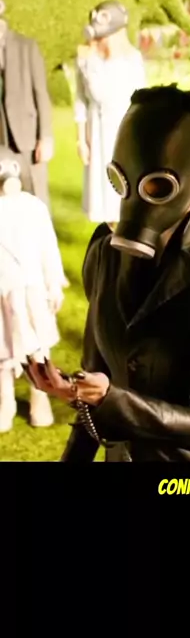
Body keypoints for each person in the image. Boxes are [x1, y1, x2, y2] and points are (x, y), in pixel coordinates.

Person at [28, 84, 190, 462]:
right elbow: (95, 380)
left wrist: (111, 399)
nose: (135, 198)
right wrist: (80, 395)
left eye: (157, 185)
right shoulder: (105, 255)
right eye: (121, 180)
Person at [0, 146, 66, 432]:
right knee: (3, 349)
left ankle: (40, 396)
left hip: (32, 291)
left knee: (37, 347)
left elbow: (48, 248)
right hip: (3, 293)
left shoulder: (33, 208)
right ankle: (5, 400)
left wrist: (54, 282)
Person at [74, 0, 146, 227]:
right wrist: (81, 139)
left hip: (123, 130)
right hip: (96, 131)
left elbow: (136, 100)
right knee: (100, 190)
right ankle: (108, 235)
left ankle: (122, 233)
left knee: (122, 187)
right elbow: (81, 100)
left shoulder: (132, 60)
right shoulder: (86, 60)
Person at [0, 0, 53, 208]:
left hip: (26, 134)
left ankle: (40, 227)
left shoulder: (26, 46)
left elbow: (41, 93)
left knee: (36, 195)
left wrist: (45, 137)